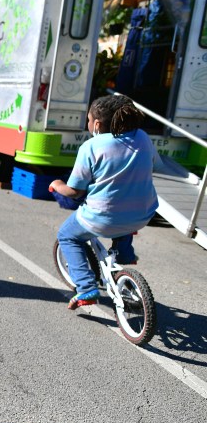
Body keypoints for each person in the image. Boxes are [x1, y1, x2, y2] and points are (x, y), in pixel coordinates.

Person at [49, 95, 159, 310]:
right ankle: (125, 253)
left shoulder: (91, 146)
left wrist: (57, 184)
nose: (87, 124)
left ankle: (86, 287)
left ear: (97, 124)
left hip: (103, 218)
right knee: (124, 210)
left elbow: (74, 191)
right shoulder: (143, 138)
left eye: (88, 120)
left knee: (67, 236)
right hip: (144, 214)